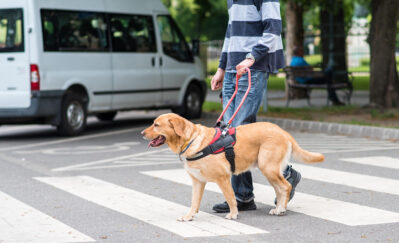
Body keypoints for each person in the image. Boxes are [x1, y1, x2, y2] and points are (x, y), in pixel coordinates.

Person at [211, 0, 302, 213]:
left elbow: (274, 30)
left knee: (239, 131)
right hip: (233, 67)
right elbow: (230, 32)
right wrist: (221, 68)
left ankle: (286, 174)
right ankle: (243, 197)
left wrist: (252, 57)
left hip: (253, 67)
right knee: (229, 133)